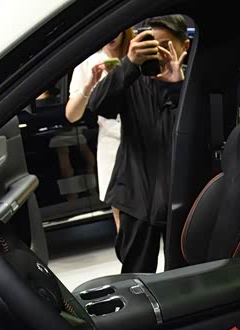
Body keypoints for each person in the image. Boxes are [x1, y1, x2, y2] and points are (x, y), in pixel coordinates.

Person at [88, 15, 190, 274]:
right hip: (136, 195)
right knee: (135, 276)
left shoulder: (192, 83)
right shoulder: (130, 78)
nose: (158, 53)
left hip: (181, 197)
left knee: (183, 275)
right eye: (151, 46)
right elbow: (97, 105)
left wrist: (176, 88)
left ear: (185, 45)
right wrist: (129, 64)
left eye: (165, 45)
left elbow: (192, 134)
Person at [66, 28, 134, 231]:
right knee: (122, 215)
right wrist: (89, 85)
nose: (111, 35)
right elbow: (72, 115)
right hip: (112, 143)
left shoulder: (136, 51)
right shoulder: (89, 63)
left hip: (146, 137)